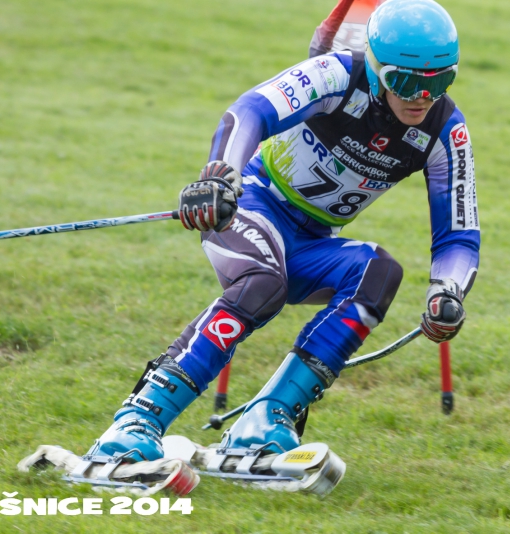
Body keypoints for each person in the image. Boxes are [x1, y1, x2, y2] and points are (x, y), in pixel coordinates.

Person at [88, 0, 480, 462]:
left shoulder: (445, 130)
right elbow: (250, 111)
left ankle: (267, 418)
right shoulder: (338, 75)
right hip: (251, 205)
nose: (422, 97)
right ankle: (137, 419)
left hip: (313, 240)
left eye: (440, 81)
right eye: (407, 82)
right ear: (377, 69)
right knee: (263, 284)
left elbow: (458, 232)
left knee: (379, 272)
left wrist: (447, 290)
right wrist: (219, 178)